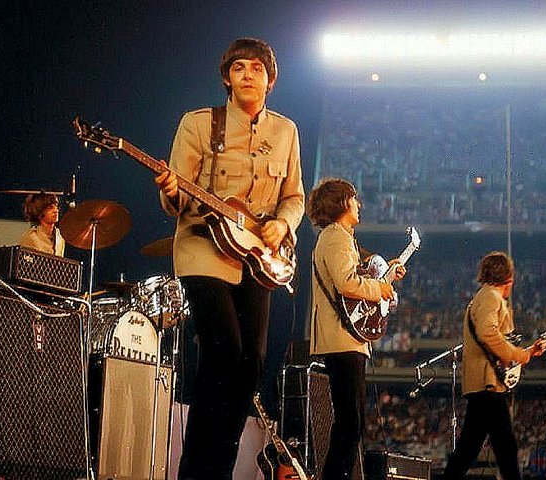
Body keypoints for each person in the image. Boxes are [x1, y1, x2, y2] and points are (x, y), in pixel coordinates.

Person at [155, 37, 304, 480]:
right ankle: (195, 471)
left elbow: (294, 197)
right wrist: (170, 190)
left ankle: (215, 466)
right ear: (226, 77)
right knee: (224, 350)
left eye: (257, 69)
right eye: (239, 68)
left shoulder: (287, 131)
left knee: (251, 363)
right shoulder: (199, 124)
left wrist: (283, 224)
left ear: (270, 80)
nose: (247, 75)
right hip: (204, 247)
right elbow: (179, 194)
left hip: (258, 255)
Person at [307, 178, 405, 480]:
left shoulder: (337, 237)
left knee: (353, 422)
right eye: (354, 199)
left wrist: (384, 277)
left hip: (343, 338)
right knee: (351, 423)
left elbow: (351, 278)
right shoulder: (336, 236)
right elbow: (348, 283)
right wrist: (381, 290)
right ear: (342, 204)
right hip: (342, 339)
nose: (359, 205)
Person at [443, 251, 546, 480]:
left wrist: (528, 352)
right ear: (508, 278)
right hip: (489, 385)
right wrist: (518, 355)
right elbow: (487, 333)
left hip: (484, 385)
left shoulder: (483, 297)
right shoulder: (491, 297)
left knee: (469, 449)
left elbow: (499, 342)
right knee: (505, 448)